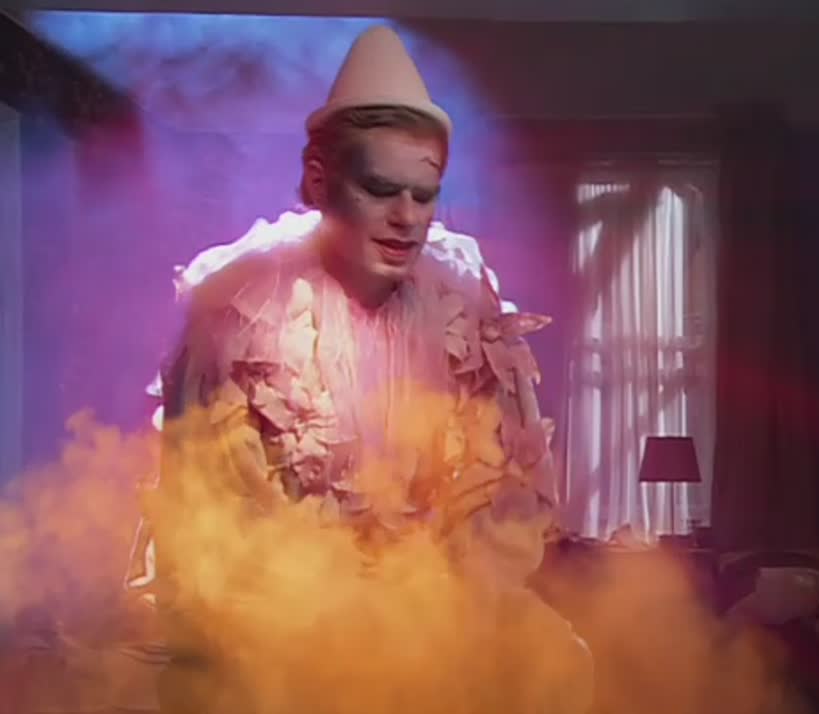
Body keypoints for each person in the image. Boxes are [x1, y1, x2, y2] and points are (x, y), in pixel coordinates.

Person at [136, 25, 592, 713]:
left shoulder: (463, 310)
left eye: (424, 194)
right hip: (281, 622)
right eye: (380, 189)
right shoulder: (238, 313)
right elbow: (211, 525)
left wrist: (428, 604)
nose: (407, 218)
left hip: (433, 614)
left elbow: (503, 508)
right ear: (320, 182)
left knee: (557, 664)